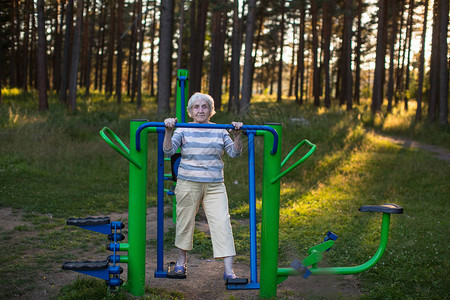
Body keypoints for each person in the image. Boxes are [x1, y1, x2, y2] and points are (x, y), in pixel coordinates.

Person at [163, 92, 243, 281]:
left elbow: (234, 153)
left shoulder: (220, 130)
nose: (200, 110)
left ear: (210, 110)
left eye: (204, 106)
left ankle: (229, 271)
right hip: (188, 183)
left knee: (222, 222)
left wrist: (238, 136)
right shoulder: (183, 129)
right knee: (185, 222)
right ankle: (181, 263)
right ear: (190, 111)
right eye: (196, 107)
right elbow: (168, 150)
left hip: (215, 185)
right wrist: (168, 130)